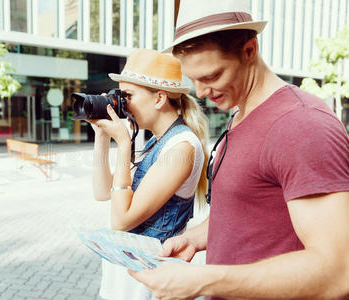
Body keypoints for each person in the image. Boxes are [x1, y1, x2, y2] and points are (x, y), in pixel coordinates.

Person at [128, 1, 349, 299]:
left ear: (249, 51)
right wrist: (194, 239)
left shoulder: (302, 124)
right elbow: (247, 211)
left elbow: (338, 272)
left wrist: (205, 280)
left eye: (212, 76)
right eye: (193, 80)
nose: (202, 92)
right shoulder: (241, 113)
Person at [88, 48, 209, 300]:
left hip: (148, 284)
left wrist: (123, 144)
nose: (122, 104)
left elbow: (122, 220)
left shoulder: (182, 147)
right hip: (124, 280)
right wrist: (101, 136)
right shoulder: (158, 141)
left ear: (159, 98)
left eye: (128, 95)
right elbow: (102, 193)